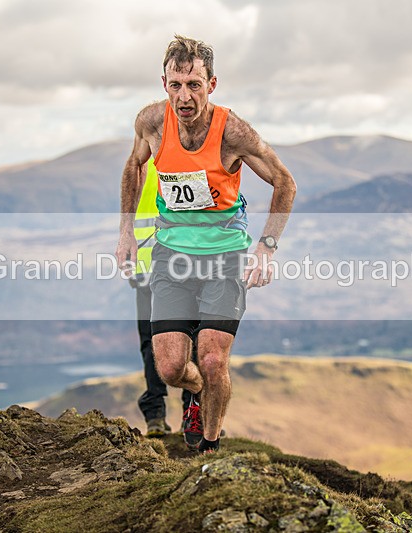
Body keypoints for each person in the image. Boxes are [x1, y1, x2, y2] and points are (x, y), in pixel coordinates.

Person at [116, 35, 296, 454]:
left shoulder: (233, 131)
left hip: (224, 256)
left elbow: (285, 181)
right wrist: (125, 231)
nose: (184, 96)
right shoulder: (151, 123)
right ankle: (195, 393)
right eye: (176, 85)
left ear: (211, 84)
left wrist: (267, 246)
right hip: (171, 257)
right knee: (171, 367)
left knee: (214, 360)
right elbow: (134, 165)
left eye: (194, 85)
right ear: (164, 83)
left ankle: (209, 448)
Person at [131, 158, 193, 437]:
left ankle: (160, 415)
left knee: (154, 341)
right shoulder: (187, 159)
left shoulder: (140, 163)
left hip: (155, 265)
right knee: (186, 338)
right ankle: (183, 413)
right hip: (175, 267)